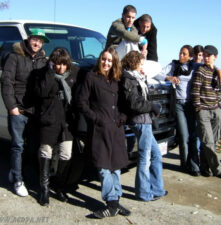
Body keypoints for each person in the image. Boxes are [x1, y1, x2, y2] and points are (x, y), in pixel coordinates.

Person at [76, 47, 130, 218]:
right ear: (99, 59)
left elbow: (124, 103)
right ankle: (111, 202)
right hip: (99, 129)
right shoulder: (91, 77)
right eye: (103, 59)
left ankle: (115, 201)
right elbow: (81, 102)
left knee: (116, 167)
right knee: (103, 167)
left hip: (116, 130)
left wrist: (123, 117)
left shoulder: (117, 80)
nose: (106, 63)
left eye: (109, 60)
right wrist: (96, 118)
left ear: (114, 63)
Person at [0, 28, 49, 197]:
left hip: (34, 112)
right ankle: (17, 181)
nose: (37, 43)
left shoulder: (43, 60)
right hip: (18, 110)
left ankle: (15, 172)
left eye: (41, 41)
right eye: (35, 39)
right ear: (28, 39)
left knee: (33, 146)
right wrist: (11, 107)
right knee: (18, 146)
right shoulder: (14, 57)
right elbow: (6, 82)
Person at [33, 48, 79, 206]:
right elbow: (41, 92)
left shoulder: (73, 74)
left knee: (66, 154)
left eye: (64, 65)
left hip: (66, 122)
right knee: (46, 152)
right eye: (57, 64)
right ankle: (44, 189)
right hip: (49, 120)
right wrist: (49, 71)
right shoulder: (44, 74)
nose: (61, 68)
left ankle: (59, 187)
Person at [120, 50, 167, 201]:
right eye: (140, 63)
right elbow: (134, 103)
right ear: (133, 63)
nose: (142, 66)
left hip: (145, 120)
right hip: (140, 121)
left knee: (155, 154)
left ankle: (157, 189)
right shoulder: (128, 79)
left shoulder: (137, 77)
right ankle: (144, 193)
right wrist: (153, 106)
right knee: (145, 157)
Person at [155, 45, 200, 176]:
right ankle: (185, 164)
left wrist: (219, 71)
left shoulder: (194, 67)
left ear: (190, 56)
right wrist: (169, 78)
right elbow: (158, 73)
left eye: (184, 54)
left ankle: (193, 165)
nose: (181, 56)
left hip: (191, 104)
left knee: (193, 136)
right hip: (179, 104)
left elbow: (208, 69)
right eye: (180, 53)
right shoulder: (174, 65)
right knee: (184, 135)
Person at [191, 45, 221, 179]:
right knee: (208, 140)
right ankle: (218, 169)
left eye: (208, 55)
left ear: (215, 57)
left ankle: (204, 166)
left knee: (213, 141)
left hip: (216, 109)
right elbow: (195, 91)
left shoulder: (216, 71)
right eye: (204, 55)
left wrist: (219, 106)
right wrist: (199, 108)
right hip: (203, 110)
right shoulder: (200, 71)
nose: (206, 58)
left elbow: (220, 91)